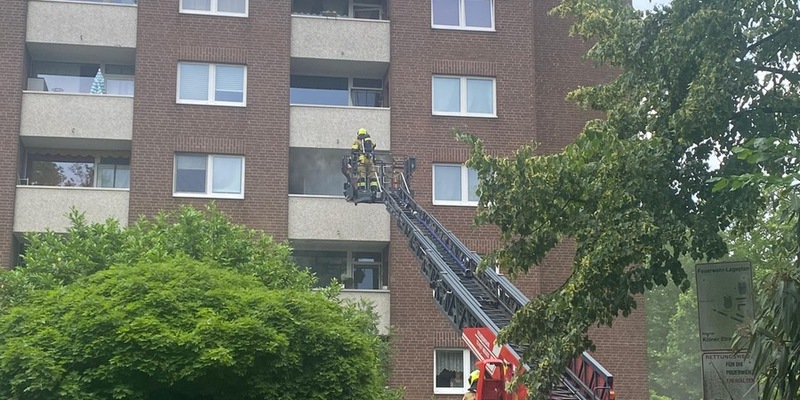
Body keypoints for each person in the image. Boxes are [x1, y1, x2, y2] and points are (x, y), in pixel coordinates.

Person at [351, 128, 378, 192]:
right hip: (370, 160)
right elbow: (374, 145)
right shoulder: (369, 141)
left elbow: (353, 150)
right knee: (372, 175)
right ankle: (374, 189)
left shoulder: (357, 141)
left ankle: (362, 189)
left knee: (361, 175)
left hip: (362, 161)